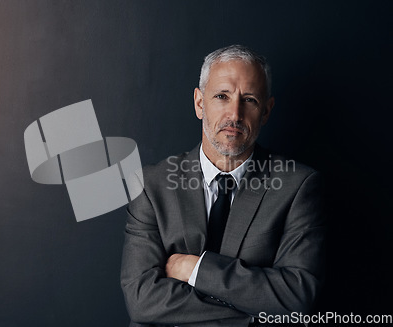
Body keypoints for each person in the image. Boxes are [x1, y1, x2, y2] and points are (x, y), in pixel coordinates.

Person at [120, 45, 325, 327]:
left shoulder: (297, 187)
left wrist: (194, 269)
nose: (235, 114)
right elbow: (142, 301)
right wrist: (254, 312)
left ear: (266, 111)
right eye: (221, 96)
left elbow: (296, 298)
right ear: (199, 103)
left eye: (249, 100)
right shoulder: (150, 185)